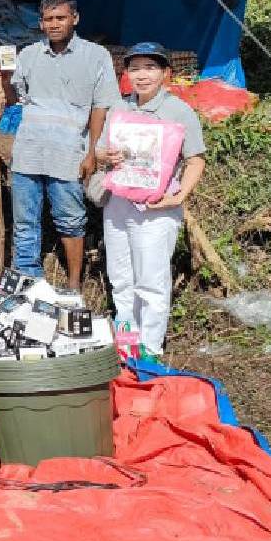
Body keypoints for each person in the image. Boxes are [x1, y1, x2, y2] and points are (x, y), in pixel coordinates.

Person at [97, 43, 205, 356]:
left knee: (152, 280)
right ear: (126, 73)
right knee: (120, 274)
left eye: (150, 67)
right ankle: (126, 337)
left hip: (156, 208)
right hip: (118, 203)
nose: (141, 75)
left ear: (165, 74)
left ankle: (151, 348)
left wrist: (179, 196)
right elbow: (101, 151)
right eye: (135, 68)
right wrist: (106, 154)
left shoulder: (178, 111)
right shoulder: (120, 108)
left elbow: (196, 159)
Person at [6, 0, 117, 288]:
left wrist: (92, 152)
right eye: (48, 19)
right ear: (40, 23)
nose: (54, 24)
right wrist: (1, 78)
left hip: (69, 153)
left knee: (70, 221)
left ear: (74, 19)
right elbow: (16, 97)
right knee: (24, 223)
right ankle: (27, 281)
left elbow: (100, 107)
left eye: (61, 18)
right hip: (28, 151)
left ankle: (74, 285)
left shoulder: (96, 56)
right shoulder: (28, 55)